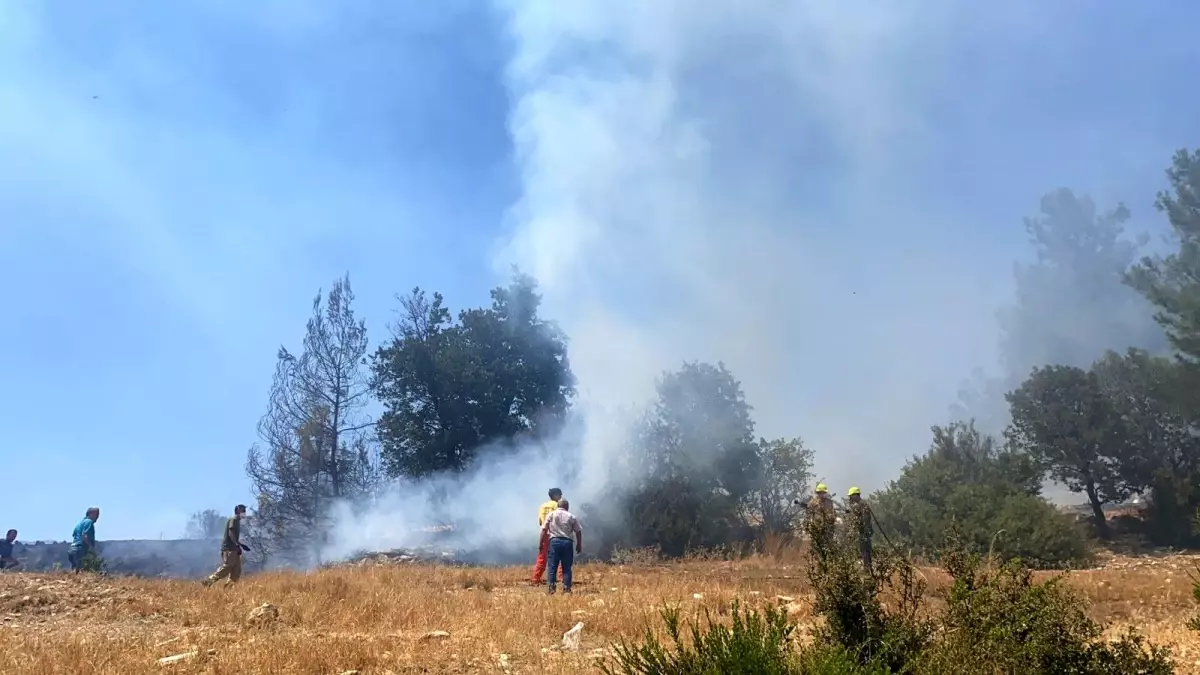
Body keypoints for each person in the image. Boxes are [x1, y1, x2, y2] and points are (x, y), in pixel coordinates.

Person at [541, 498, 582, 595]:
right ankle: (567, 588)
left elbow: (544, 529)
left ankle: (551, 588)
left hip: (554, 542)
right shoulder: (571, 516)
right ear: (567, 506)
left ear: (558, 506)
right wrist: (579, 544)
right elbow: (578, 531)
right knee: (566, 567)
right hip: (567, 542)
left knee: (552, 567)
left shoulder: (551, 514)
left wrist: (541, 543)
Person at [203, 504, 250, 587]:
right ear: (238, 511)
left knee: (237, 570)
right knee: (227, 567)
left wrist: (240, 545)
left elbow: (233, 535)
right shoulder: (234, 519)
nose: (244, 513)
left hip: (234, 549)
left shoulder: (237, 520)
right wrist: (237, 544)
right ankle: (209, 581)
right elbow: (231, 532)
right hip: (229, 549)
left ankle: (228, 588)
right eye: (243, 511)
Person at [531, 487, 563, 585]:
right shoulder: (558, 505)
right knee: (561, 557)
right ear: (555, 495)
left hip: (545, 534)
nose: (561, 497)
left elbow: (541, 522)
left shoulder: (542, 506)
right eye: (560, 495)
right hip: (556, 534)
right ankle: (562, 579)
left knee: (542, 557)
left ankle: (536, 579)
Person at [845, 487, 874, 574]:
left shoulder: (861, 504)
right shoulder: (861, 504)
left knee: (865, 550)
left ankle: (867, 568)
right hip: (865, 530)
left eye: (851, 496)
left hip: (864, 531)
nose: (850, 498)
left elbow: (864, 518)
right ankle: (868, 567)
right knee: (865, 549)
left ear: (855, 495)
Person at [803, 484, 837, 555]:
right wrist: (807, 525)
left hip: (828, 526)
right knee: (817, 544)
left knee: (829, 544)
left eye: (823, 493)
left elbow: (833, 513)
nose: (822, 494)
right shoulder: (813, 502)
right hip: (817, 526)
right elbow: (808, 513)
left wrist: (832, 520)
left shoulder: (829, 502)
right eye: (820, 493)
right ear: (817, 493)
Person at [69, 508, 100, 573]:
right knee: (82, 571)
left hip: (72, 549)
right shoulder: (89, 522)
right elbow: (84, 535)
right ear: (90, 514)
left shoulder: (79, 523)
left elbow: (74, 535)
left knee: (75, 572)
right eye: (96, 514)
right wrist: (91, 547)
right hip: (80, 550)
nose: (98, 517)